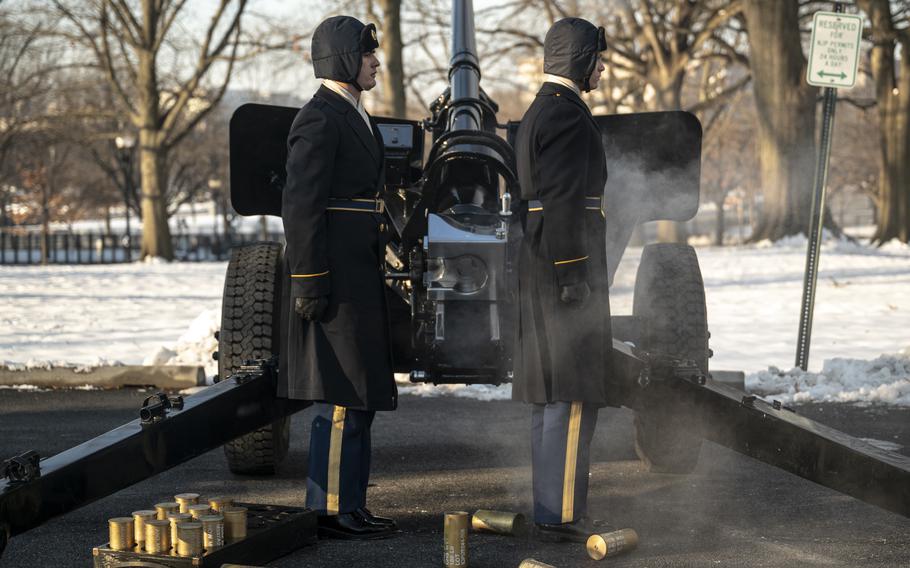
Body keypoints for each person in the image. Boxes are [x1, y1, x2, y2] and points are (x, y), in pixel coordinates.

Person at [280, 15, 397, 540]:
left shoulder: (352, 114)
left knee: (361, 394)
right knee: (344, 394)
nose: (376, 61)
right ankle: (329, 507)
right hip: (334, 281)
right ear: (347, 60)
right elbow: (300, 207)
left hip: (359, 275)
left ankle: (351, 502)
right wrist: (308, 280)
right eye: (369, 54)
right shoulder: (320, 117)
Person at [512, 17, 609, 543]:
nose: (602, 66)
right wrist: (574, 274)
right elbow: (567, 202)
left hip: (539, 264)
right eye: (597, 56)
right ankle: (563, 514)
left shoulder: (539, 110)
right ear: (580, 59)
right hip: (564, 270)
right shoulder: (568, 114)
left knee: (549, 396)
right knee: (570, 394)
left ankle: (550, 506)